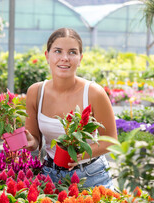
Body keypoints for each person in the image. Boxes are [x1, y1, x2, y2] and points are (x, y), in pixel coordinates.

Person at [24, 28, 117, 189]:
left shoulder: (94, 93)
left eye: (72, 52)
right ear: (47, 56)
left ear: (80, 58)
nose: (65, 58)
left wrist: (78, 156)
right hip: (50, 176)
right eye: (58, 51)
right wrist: (30, 142)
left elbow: (110, 140)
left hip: (91, 177)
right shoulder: (35, 92)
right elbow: (35, 140)